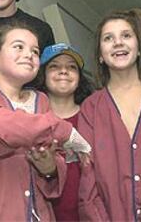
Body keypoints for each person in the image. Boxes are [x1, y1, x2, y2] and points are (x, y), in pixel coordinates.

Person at [0, 22, 91, 221]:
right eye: (19, 47)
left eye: (35, 51)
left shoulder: (41, 100)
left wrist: (50, 168)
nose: (29, 54)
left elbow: (56, 159)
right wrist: (64, 129)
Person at [77, 9, 141, 221]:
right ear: (100, 55)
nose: (118, 43)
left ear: (139, 49)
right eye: (108, 38)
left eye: (126, 35)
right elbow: (88, 182)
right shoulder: (90, 108)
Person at [38, 43, 94, 221]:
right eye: (54, 66)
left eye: (71, 67)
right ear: (43, 75)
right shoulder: (32, 120)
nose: (63, 71)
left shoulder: (92, 117)